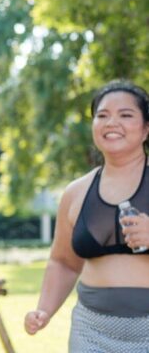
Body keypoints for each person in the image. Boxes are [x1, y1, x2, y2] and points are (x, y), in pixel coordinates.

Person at [24, 80, 149, 351]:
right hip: (91, 331)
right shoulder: (76, 192)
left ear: (146, 129)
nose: (111, 122)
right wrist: (44, 309)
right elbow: (63, 262)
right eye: (102, 115)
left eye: (125, 115)